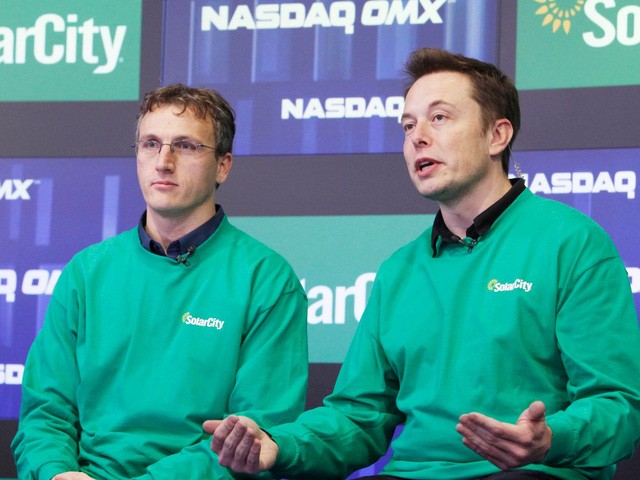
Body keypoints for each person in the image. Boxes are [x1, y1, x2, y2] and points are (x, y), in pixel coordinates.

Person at [204, 48, 640, 480]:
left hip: (532, 473)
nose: (418, 137)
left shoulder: (572, 243)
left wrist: (551, 439)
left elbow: (619, 404)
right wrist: (279, 445)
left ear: (497, 136)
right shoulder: (399, 270)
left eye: (440, 117)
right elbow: (360, 417)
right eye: (408, 125)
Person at [11, 84, 308, 479]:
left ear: (223, 165)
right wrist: (57, 472)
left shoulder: (266, 279)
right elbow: (45, 413)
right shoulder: (87, 271)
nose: (164, 162)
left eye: (186, 146)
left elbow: (254, 438)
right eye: (151, 144)